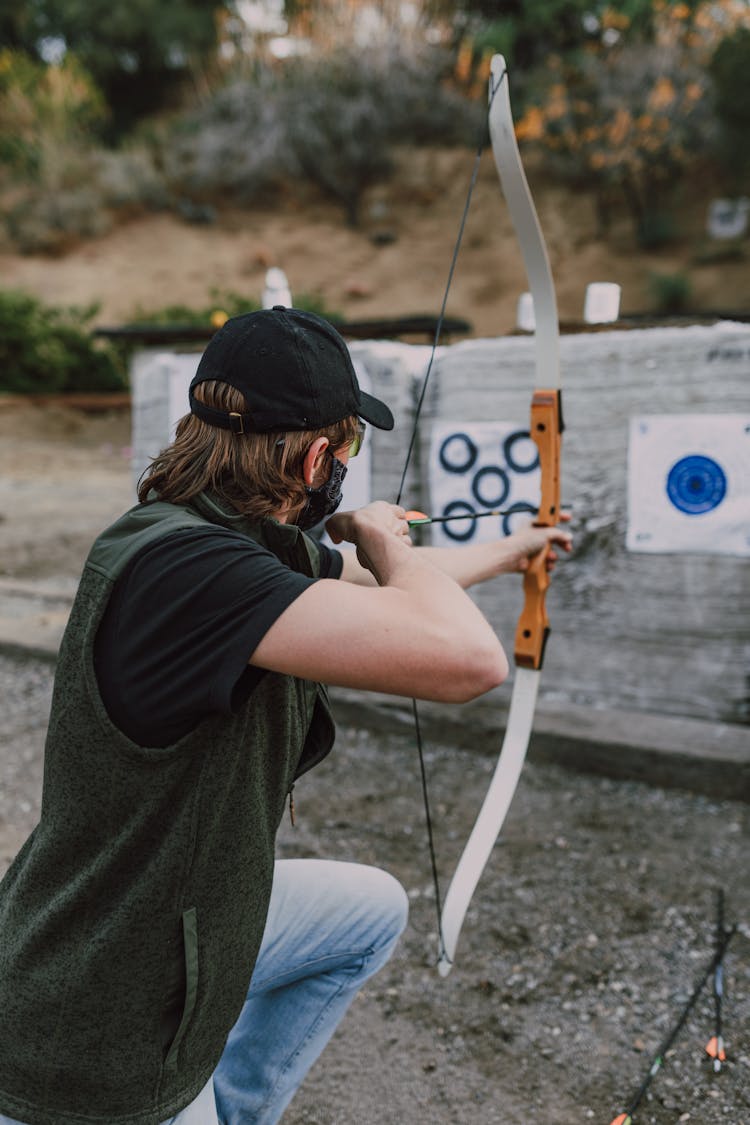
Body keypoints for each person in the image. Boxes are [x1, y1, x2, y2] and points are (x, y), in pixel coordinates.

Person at [0, 307, 571, 1125]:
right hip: (95, 1032)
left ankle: (236, 1111)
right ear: (313, 457)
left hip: (173, 924)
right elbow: (467, 659)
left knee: (369, 909)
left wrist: (519, 547)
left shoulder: (217, 540)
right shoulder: (198, 576)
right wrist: (387, 541)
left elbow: (392, 589)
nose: (344, 466)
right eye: (346, 448)